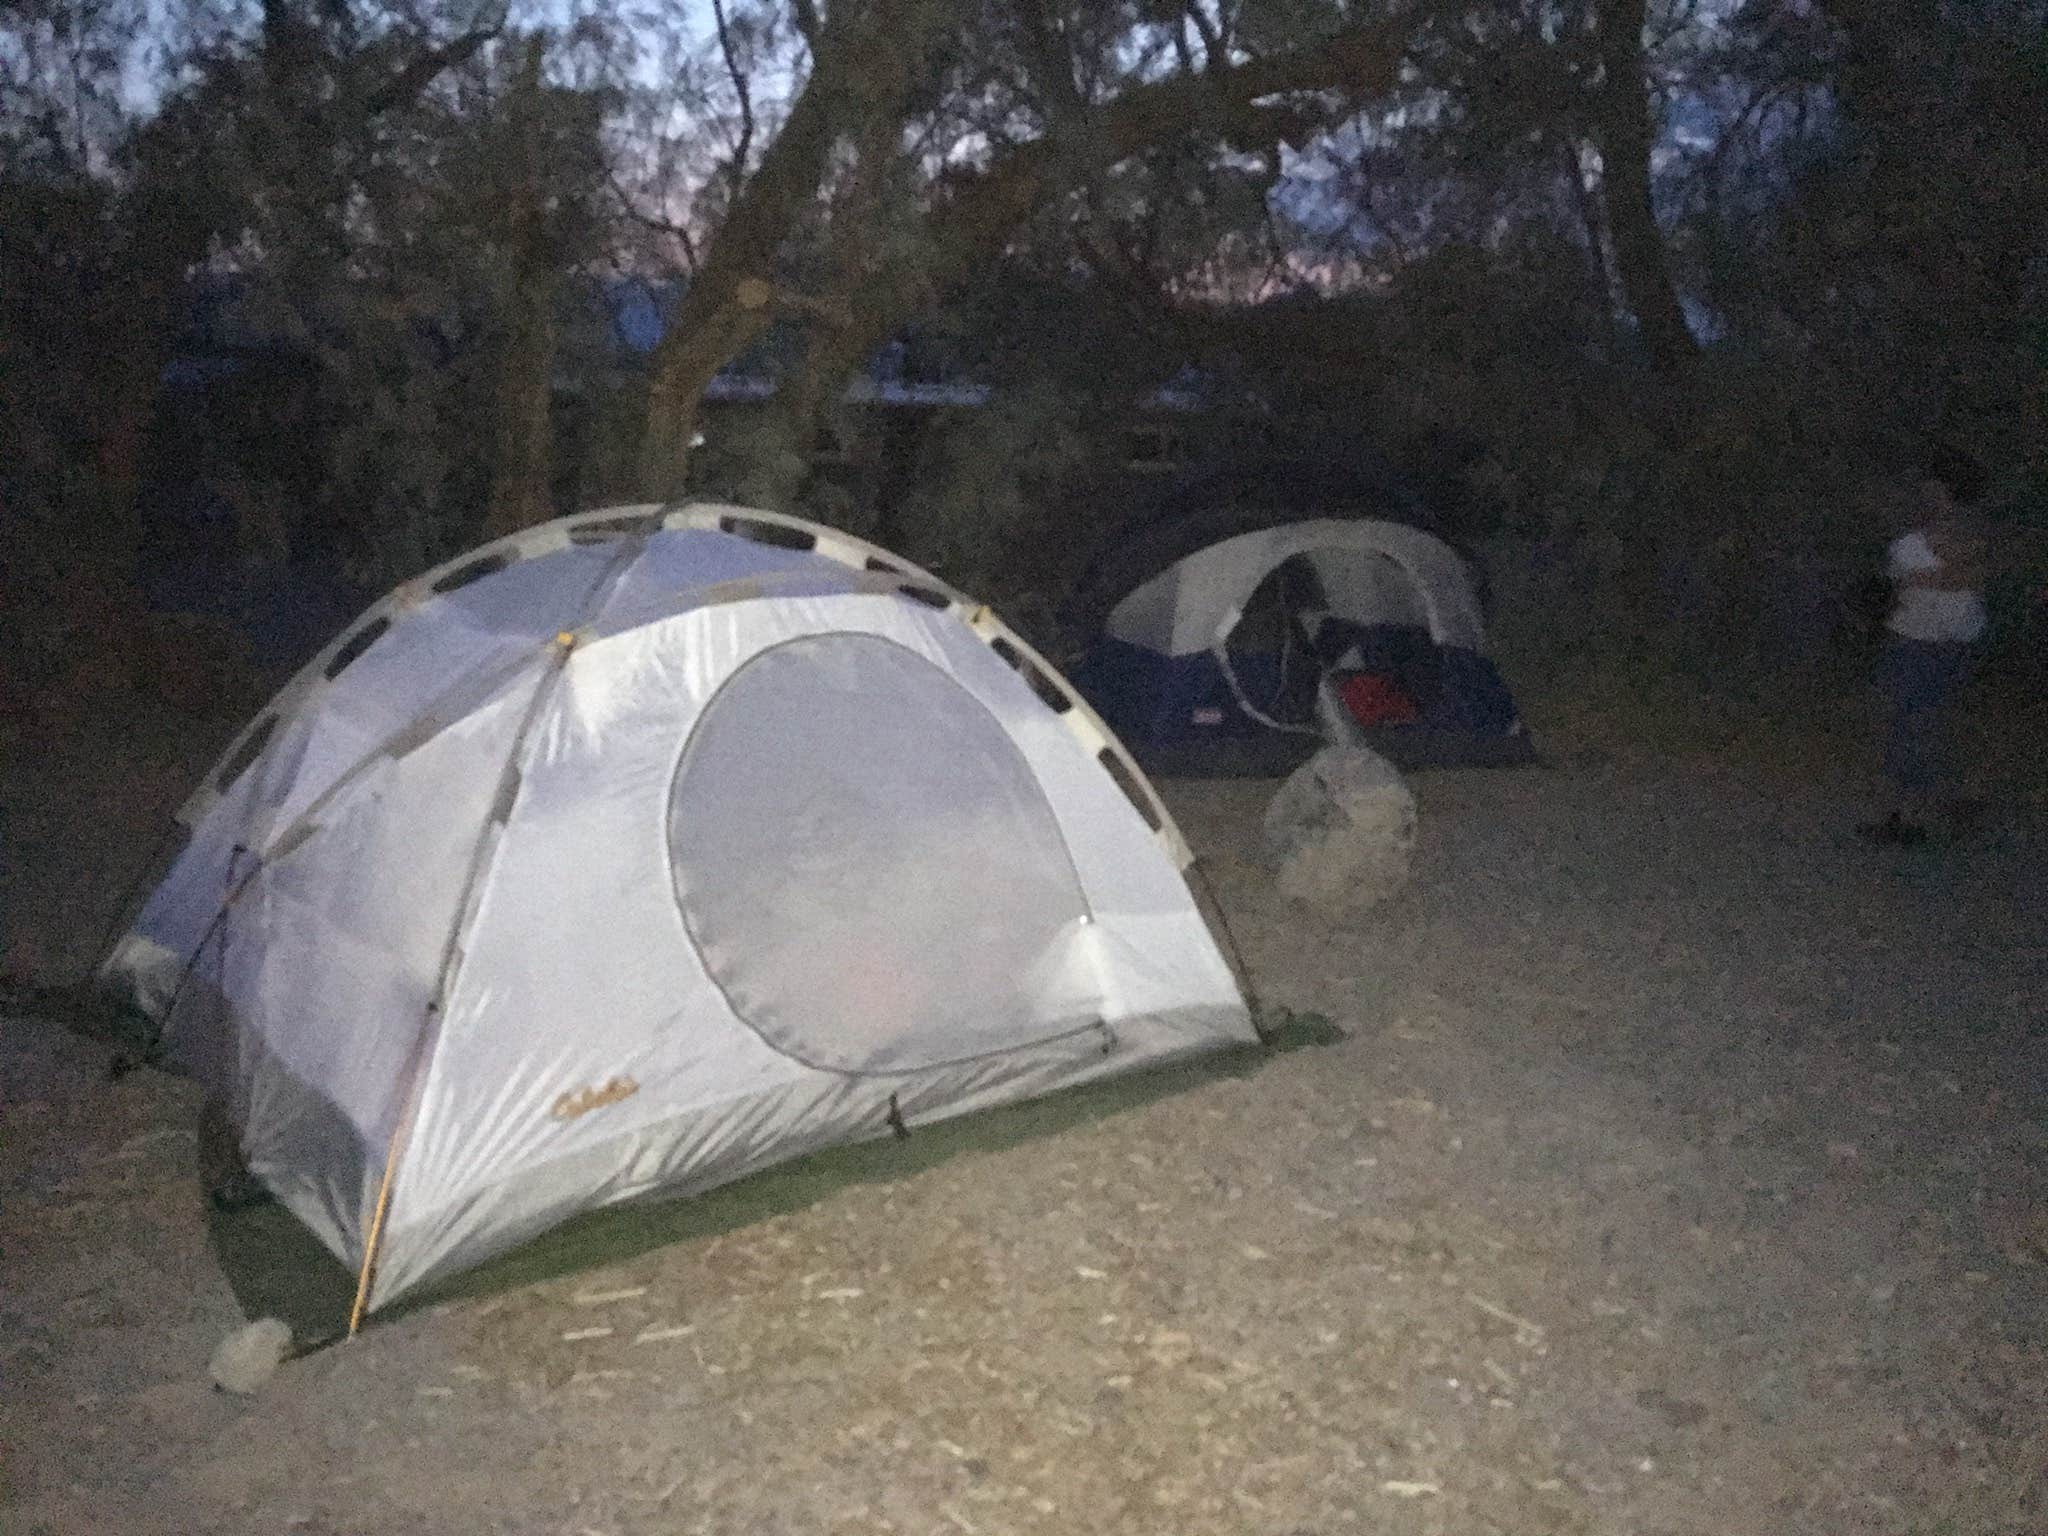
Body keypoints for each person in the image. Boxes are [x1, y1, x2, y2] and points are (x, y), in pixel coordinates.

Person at [1859, 453, 1991, 846]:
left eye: (1932, 483)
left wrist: (1910, 577)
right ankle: (1927, 806)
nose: (1924, 490)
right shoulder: (1931, 530)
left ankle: (1916, 814)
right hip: (1915, 636)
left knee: (1916, 725)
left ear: (1946, 488)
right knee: (1906, 723)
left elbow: (1964, 576)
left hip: (1938, 642)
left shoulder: (1964, 532)